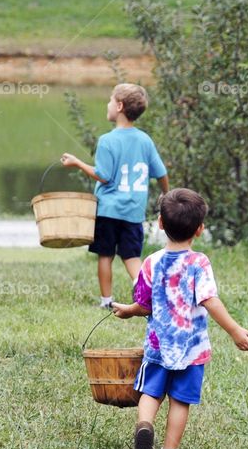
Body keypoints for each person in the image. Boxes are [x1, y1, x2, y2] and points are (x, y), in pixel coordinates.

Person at [112, 188, 248, 449]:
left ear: (161, 223)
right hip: (191, 349)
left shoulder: (150, 262)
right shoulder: (199, 263)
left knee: (151, 392)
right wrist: (235, 330)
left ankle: (144, 425)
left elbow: (143, 305)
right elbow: (210, 300)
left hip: (157, 345)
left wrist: (129, 311)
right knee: (180, 399)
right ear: (200, 229)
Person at [61, 83, 169, 308]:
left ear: (119, 106)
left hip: (108, 210)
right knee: (132, 257)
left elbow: (103, 176)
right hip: (133, 211)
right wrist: (167, 196)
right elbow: (161, 173)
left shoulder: (107, 141)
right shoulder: (144, 140)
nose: (107, 104)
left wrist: (78, 163)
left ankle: (106, 301)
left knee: (105, 255)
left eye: (110, 100)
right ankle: (150, 298)